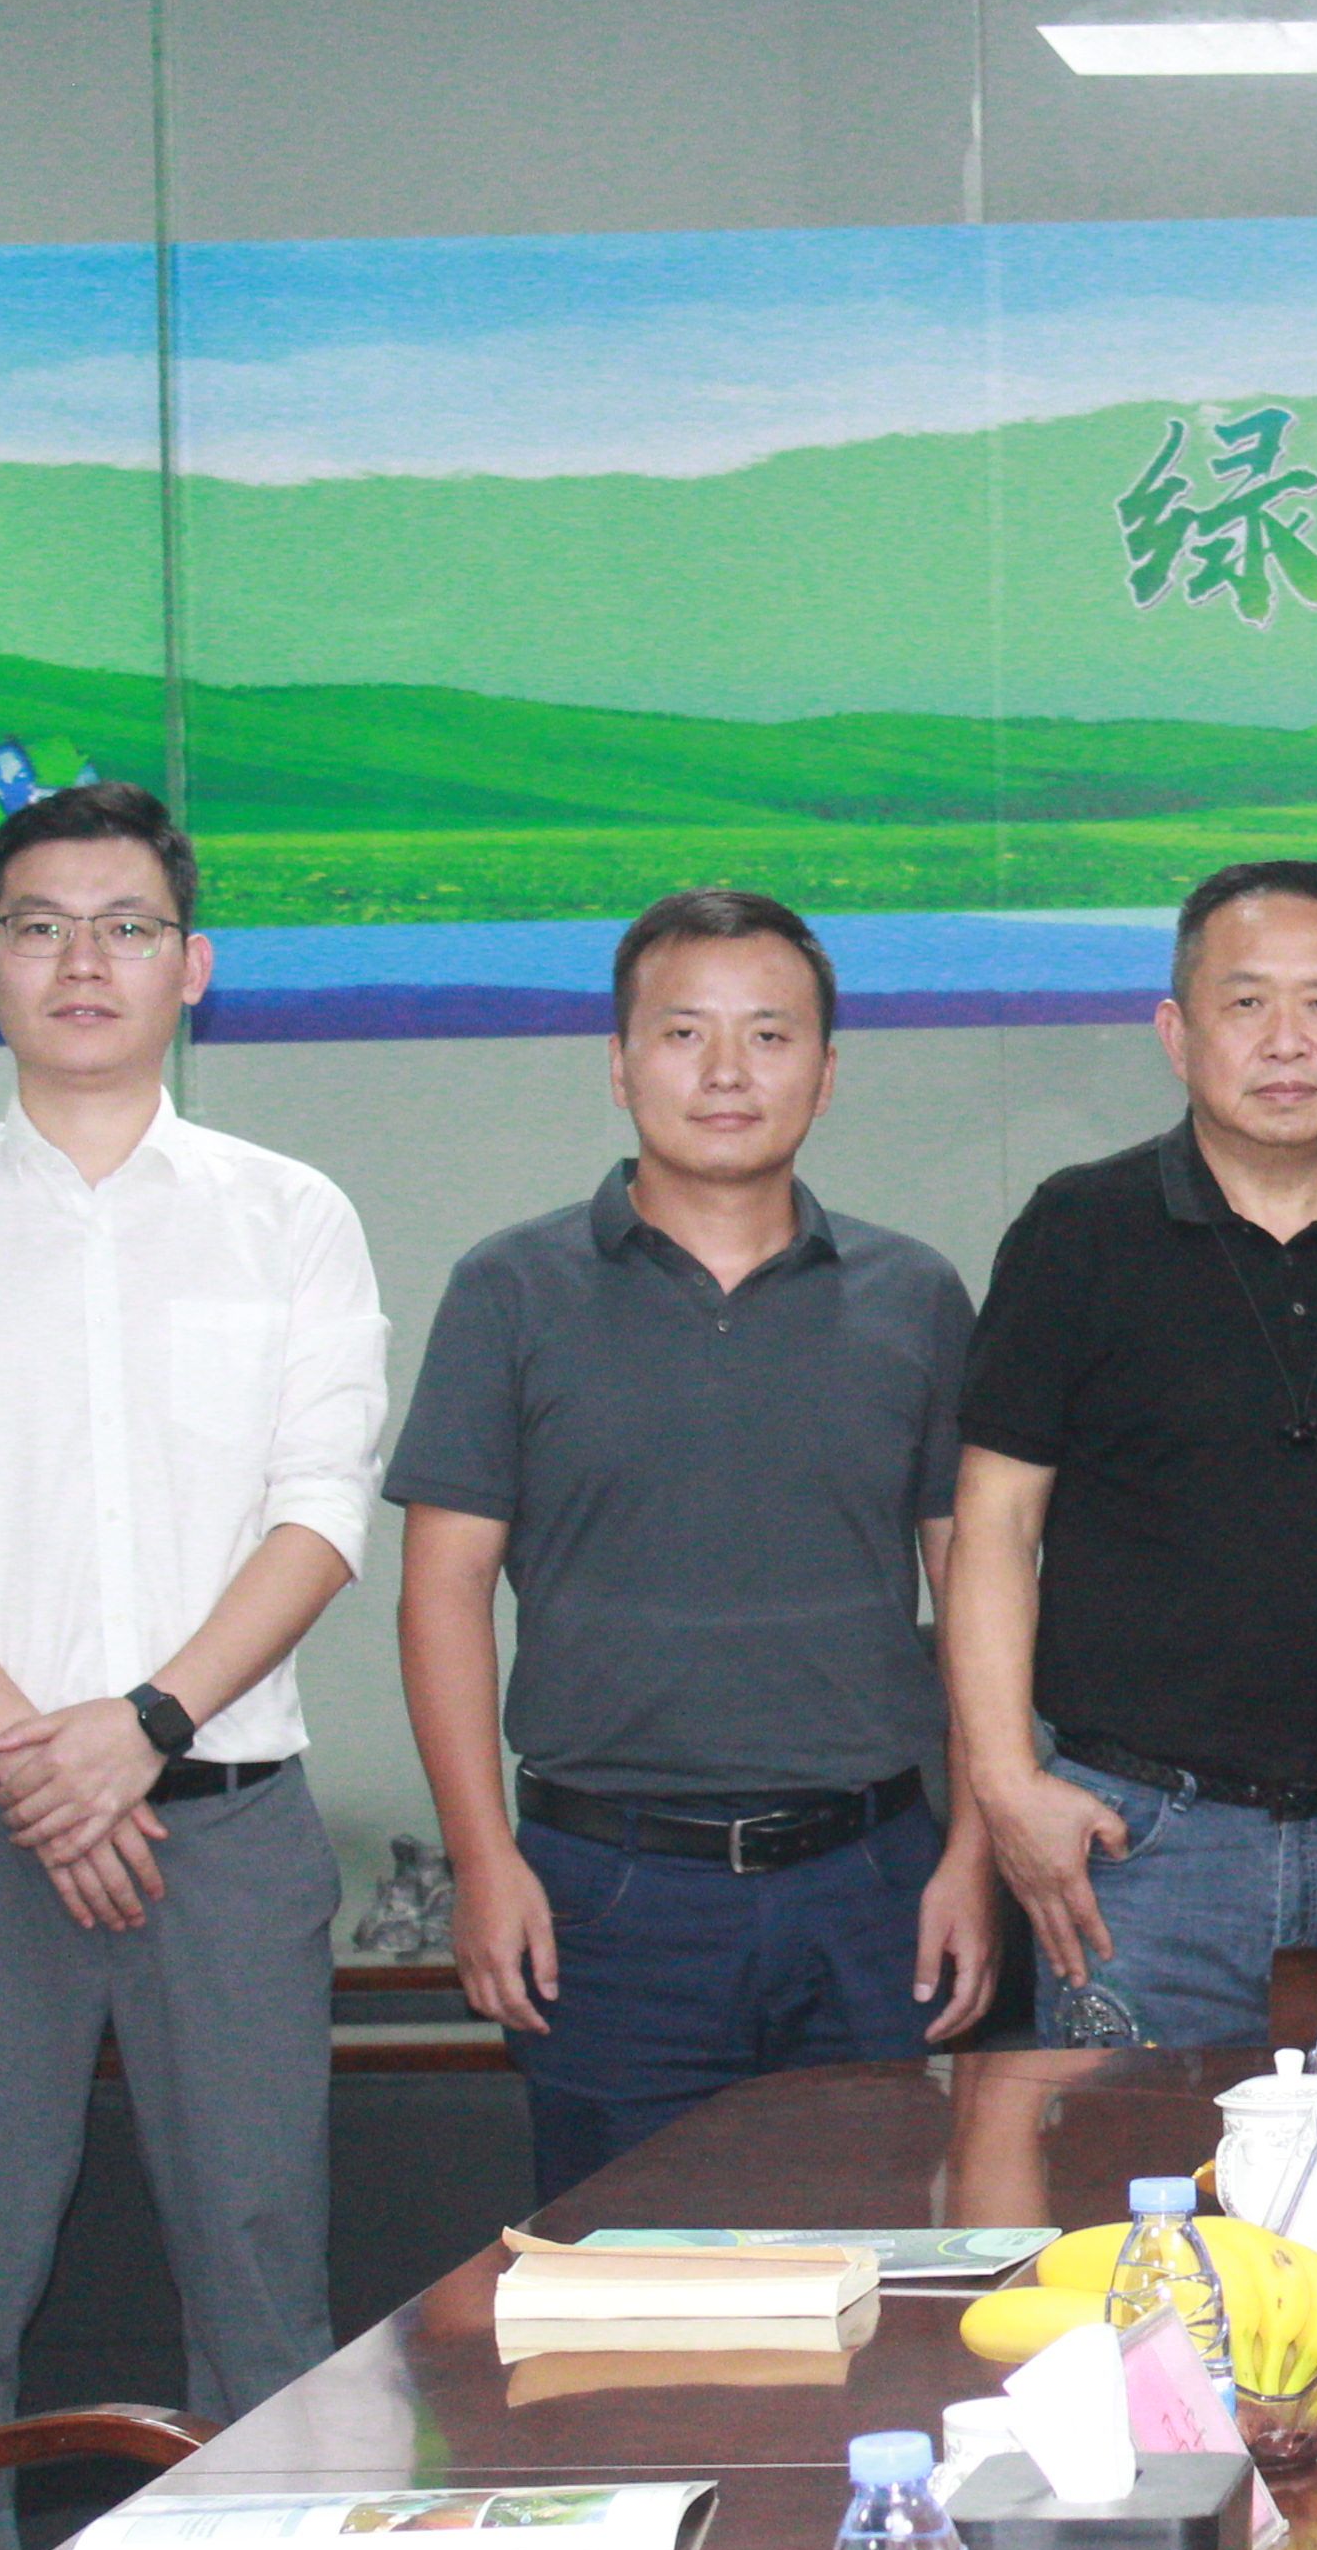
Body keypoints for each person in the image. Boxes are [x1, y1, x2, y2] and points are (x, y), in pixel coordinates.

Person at [0, 781, 384, 2550]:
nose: (83, 961)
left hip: (225, 1823)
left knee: (264, 2284)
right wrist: (33, 1759)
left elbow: (321, 1513)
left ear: (191, 967)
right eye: (40, 926)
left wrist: (141, 1729)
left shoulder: (291, 1216)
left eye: (126, 927)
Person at [387, 892, 1005, 2203]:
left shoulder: (915, 1296)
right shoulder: (508, 1291)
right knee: (625, 2291)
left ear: (825, 1074)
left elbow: (976, 1587)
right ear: (619, 1066)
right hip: (607, 1899)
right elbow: (441, 1593)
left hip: (871, 1885)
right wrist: (481, 1861)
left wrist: (971, 1852)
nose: (727, 1072)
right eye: (683, 1034)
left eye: (769, 1036)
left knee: (876, 2269)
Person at [951, 861, 1317, 2044]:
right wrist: (1009, 1784)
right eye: (1245, 1003)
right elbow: (994, 1528)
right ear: (1177, 1034)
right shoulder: (1079, 1231)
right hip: (1139, 1848)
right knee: (1134, 2168)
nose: (1287, 1041)